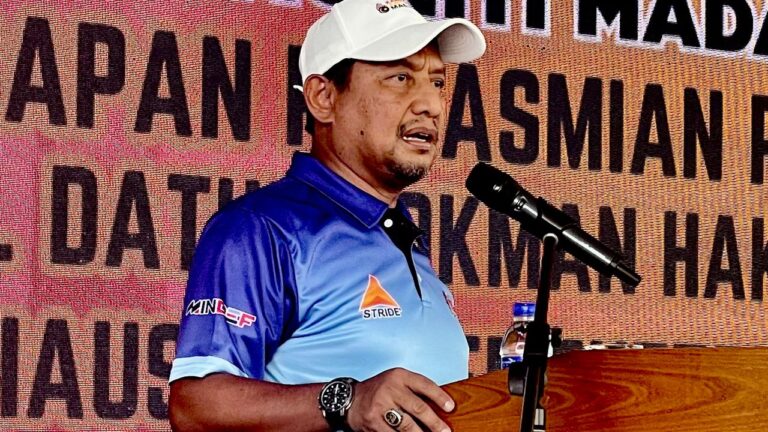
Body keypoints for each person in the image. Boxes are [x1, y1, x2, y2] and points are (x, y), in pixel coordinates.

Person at [168, 0, 486, 430]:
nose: (431, 104)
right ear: (323, 97)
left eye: (438, 82)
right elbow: (194, 407)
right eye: (400, 78)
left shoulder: (403, 237)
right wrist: (346, 400)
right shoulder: (262, 228)